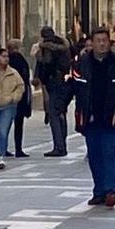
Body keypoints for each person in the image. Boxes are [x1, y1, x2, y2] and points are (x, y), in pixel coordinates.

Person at [72, 28, 115, 207]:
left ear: (110, 42)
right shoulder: (81, 63)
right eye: (98, 40)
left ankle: (111, 190)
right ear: (92, 43)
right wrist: (58, 106)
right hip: (90, 116)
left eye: (105, 40)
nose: (102, 43)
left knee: (110, 152)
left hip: (112, 116)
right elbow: (71, 86)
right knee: (95, 154)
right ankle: (99, 190)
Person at [34, 27, 73, 156]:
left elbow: (47, 63)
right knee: (61, 113)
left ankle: (59, 146)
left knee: (54, 115)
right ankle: (62, 144)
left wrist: (40, 75)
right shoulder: (64, 46)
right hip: (65, 81)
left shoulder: (47, 48)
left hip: (54, 82)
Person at [5, 38, 33, 157]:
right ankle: (18, 148)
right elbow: (24, 76)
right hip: (18, 94)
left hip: (7, 94)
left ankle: (4, 147)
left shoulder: (6, 59)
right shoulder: (18, 59)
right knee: (17, 123)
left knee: (6, 123)